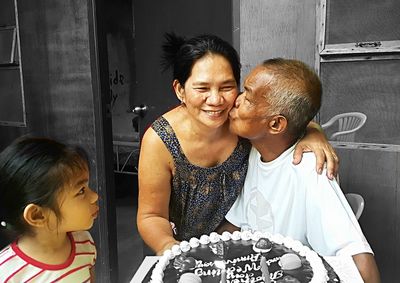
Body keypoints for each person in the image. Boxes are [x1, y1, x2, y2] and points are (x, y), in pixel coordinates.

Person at [137, 33, 339, 255]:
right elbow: (151, 216)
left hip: (241, 246)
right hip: (182, 253)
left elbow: (289, 117)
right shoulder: (160, 141)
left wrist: (313, 133)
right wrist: (169, 247)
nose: (216, 100)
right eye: (202, 89)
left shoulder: (242, 119)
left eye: (226, 87)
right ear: (180, 90)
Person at [224, 58, 380, 283]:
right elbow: (237, 222)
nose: (236, 101)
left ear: (276, 125)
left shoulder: (309, 168)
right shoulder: (254, 150)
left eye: (247, 98)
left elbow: (360, 262)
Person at [0, 136, 99, 282]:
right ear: (37, 215)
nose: (95, 196)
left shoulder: (84, 242)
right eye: (81, 191)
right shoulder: (8, 274)